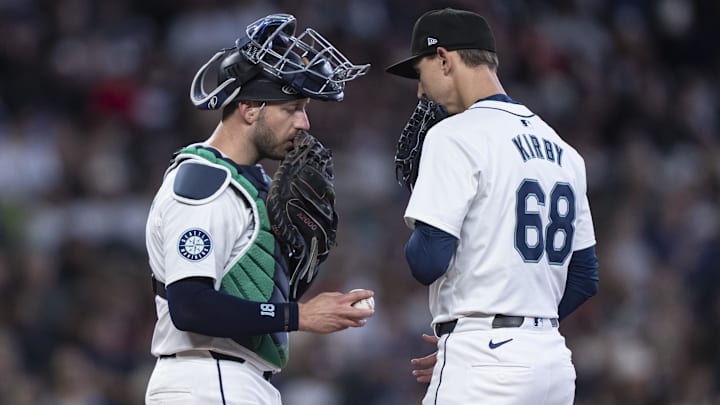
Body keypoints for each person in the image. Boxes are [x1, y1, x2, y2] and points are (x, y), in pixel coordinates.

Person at [144, 13, 374, 405]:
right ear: (249, 108)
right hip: (207, 378)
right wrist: (299, 316)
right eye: (292, 107)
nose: (305, 121)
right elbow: (190, 305)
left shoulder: (254, 184)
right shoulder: (204, 182)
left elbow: (245, 291)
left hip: (233, 380)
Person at [386, 8, 599, 404]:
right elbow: (584, 277)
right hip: (551, 363)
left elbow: (427, 261)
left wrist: (481, 338)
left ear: (444, 59)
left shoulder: (454, 135)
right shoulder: (564, 151)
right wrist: (524, 328)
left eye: (420, 73)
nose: (420, 90)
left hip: (483, 363)